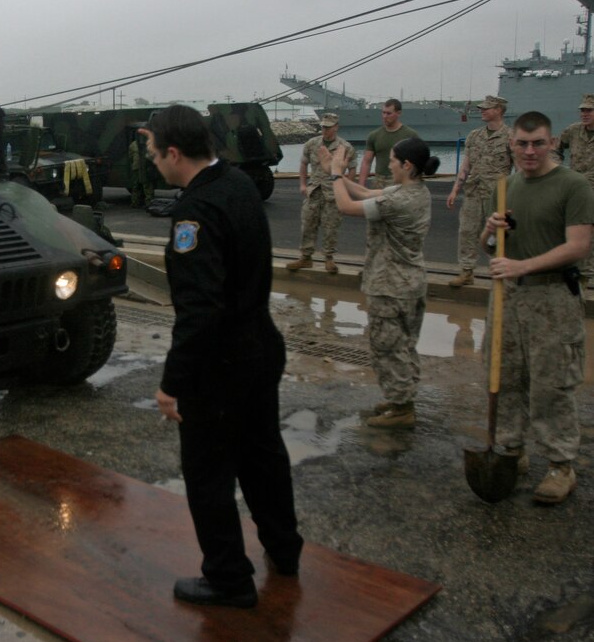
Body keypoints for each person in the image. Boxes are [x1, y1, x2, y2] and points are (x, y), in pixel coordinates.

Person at [144, 105, 302, 609]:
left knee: (208, 473)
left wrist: (173, 383)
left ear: (173, 153)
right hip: (259, 344)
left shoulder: (196, 211)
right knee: (262, 457)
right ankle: (285, 549)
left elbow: (199, 311)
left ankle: (229, 579)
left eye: (152, 153)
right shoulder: (237, 183)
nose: (151, 162)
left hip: (221, 364)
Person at [481, 110, 594, 504]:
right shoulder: (505, 186)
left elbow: (579, 245)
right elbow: (490, 247)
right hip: (508, 297)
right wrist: (490, 230)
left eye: (538, 143)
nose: (529, 152)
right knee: (507, 378)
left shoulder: (572, 185)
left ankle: (560, 465)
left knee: (552, 384)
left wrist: (522, 265)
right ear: (511, 144)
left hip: (551, 299)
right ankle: (512, 451)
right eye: (522, 144)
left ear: (551, 143)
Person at [330, 137, 435, 428]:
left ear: (407, 165)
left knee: (388, 347)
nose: (388, 164)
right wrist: (340, 173)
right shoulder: (414, 191)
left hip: (391, 285)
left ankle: (402, 409)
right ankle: (400, 398)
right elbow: (364, 191)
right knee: (404, 345)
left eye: (392, 160)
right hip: (409, 283)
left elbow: (346, 206)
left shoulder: (400, 201)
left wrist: (336, 174)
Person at [446, 95, 513, 287]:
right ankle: (467, 271)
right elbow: (466, 167)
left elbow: (519, 170)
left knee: (499, 234)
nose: (482, 110)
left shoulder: (511, 137)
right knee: (467, 231)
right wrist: (454, 189)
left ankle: (502, 272)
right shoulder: (474, 136)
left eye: (487, 108)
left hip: (497, 194)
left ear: (499, 110)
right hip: (473, 191)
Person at [286, 113, 357, 274]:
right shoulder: (312, 143)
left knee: (331, 226)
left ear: (336, 127)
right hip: (314, 190)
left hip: (333, 193)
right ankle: (306, 257)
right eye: (323, 126)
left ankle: (329, 258)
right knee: (308, 224)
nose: (325, 129)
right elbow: (304, 164)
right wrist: (303, 184)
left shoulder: (344, 147)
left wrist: (344, 188)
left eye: (328, 127)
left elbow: (352, 169)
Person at [555, 93, 594, 281]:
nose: (584, 114)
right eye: (582, 110)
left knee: (592, 239)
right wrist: (556, 169)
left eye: (589, 110)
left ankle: (584, 281)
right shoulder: (573, 131)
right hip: (574, 194)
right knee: (568, 235)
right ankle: (567, 275)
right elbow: (556, 148)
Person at [358, 99, 419, 188]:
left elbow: (417, 162)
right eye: (383, 113)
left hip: (401, 182)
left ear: (398, 113)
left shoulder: (411, 135)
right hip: (379, 182)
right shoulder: (374, 136)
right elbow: (367, 162)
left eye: (389, 113)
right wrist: (361, 186)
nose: (385, 116)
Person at [127, 128, 157, 208]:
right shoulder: (149, 143)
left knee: (136, 186)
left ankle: (135, 203)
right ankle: (149, 204)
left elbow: (130, 157)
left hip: (137, 167)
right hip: (145, 167)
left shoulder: (133, 144)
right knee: (147, 186)